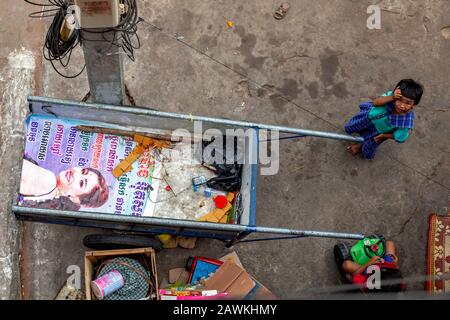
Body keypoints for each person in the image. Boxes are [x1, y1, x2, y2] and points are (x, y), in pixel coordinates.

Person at [344, 79, 423, 159]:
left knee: (368, 143)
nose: (402, 105)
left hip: (378, 132)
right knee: (353, 126)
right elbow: (375, 103)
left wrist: (384, 136)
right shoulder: (391, 97)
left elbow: (401, 137)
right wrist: (392, 97)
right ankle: (354, 133)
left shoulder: (406, 122)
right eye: (400, 100)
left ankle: (359, 147)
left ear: (414, 104)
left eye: (408, 103)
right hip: (368, 118)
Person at [19, 158, 109, 211]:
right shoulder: (47, 204)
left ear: (75, 198)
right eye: (83, 171)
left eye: (81, 183)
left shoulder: (49, 181)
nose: (76, 174)